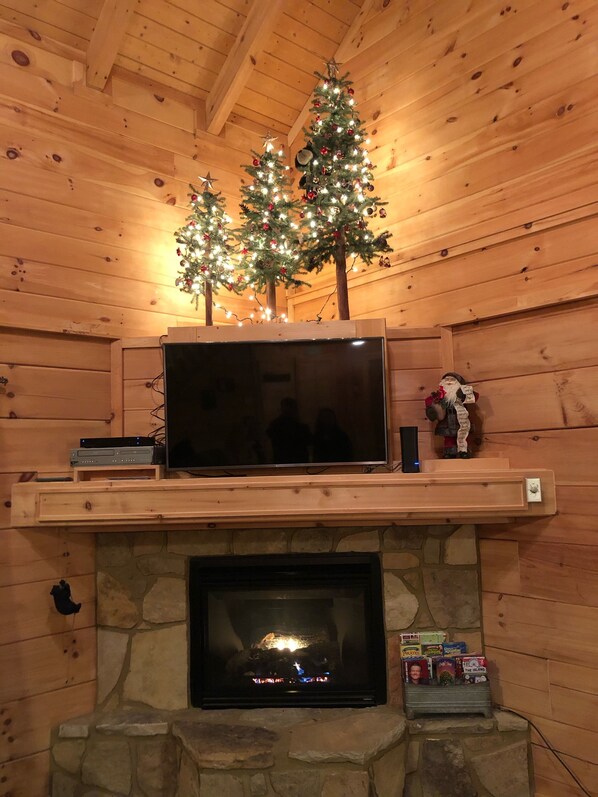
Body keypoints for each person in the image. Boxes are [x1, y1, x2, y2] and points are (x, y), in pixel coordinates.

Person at [425, 372, 478, 458]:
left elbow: (475, 396)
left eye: (452, 380)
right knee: (449, 438)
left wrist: (463, 395)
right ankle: (450, 452)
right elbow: (429, 400)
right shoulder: (440, 394)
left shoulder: (462, 392)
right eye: (447, 379)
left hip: (460, 419)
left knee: (464, 436)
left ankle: (464, 451)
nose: (449, 381)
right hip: (446, 420)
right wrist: (431, 408)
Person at [266, 397, 312, 464]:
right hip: (285, 460)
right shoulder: (276, 425)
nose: (288, 409)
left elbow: (308, 441)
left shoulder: (300, 425)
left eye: (290, 406)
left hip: (296, 460)